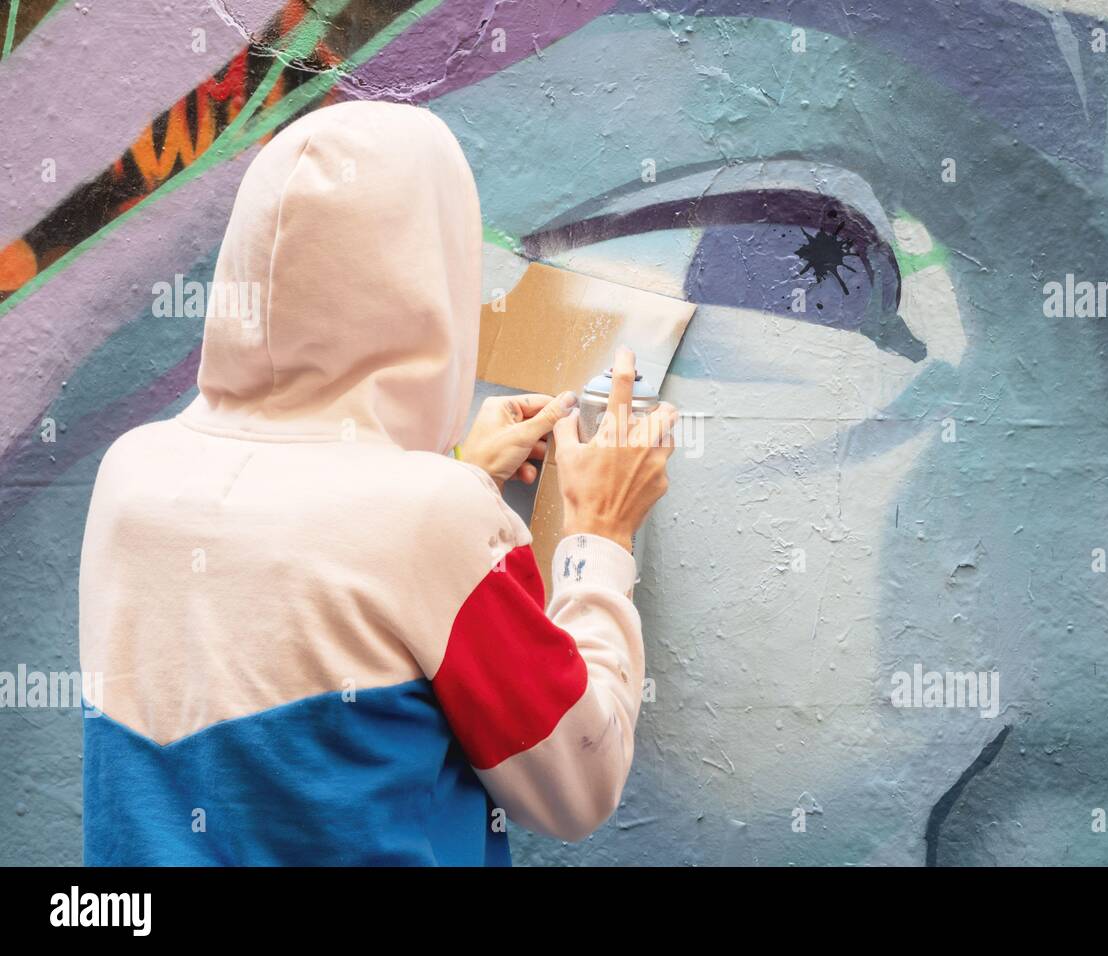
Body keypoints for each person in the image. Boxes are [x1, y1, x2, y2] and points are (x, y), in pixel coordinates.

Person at [77, 100, 676, 865]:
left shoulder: (130, 472)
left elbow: (310, 572)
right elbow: (578, 787)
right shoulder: (428, 519)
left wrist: (453, 479)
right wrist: (599, 534)